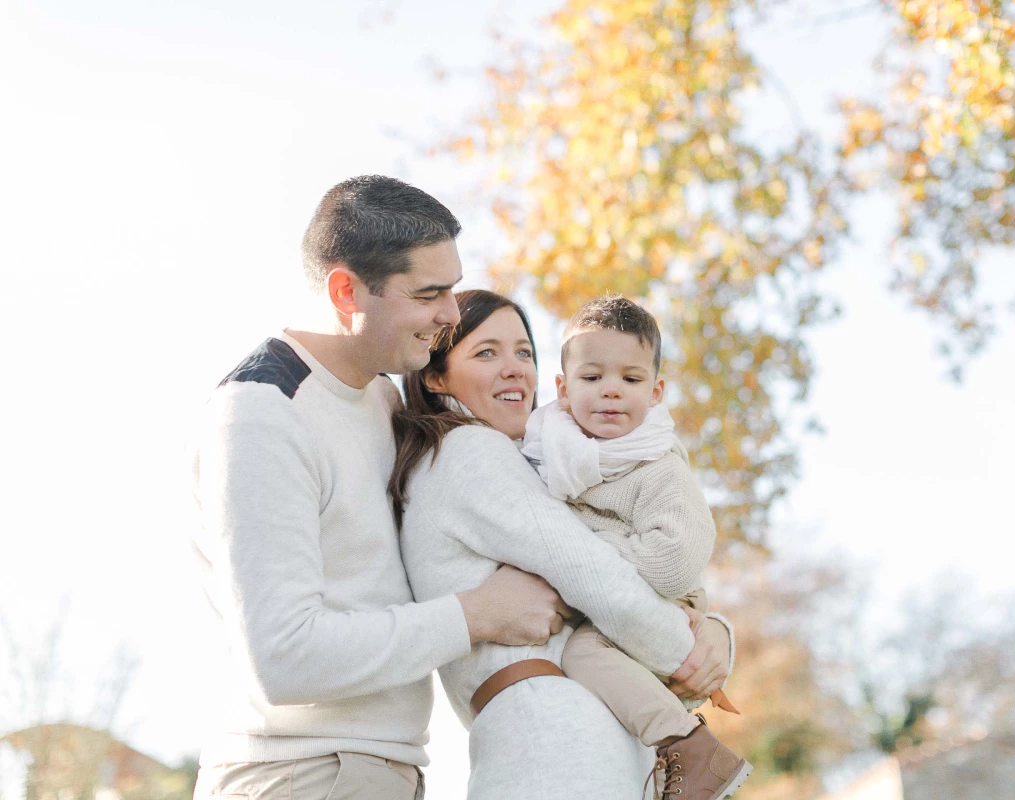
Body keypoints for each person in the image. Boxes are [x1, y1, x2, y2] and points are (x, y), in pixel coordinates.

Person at [190, 176, 576, 800]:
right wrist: (478, 614)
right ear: (346, 290)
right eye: (429, 293)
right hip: (304, 775)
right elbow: (285, 658)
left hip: (377, 770)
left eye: (451, 289)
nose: (450, 315)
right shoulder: (262, 415)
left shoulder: (380, 395)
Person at [392, 289, 739, 799]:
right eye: (486, 352)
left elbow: (631, 561)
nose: (514, 369)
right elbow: (596, 575)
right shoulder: (468, 451)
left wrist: (716, 630)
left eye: (524, 352)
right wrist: (695, 655)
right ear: (436, 375)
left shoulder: (540, 460)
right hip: (553, 734)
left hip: (577, 731)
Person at [521, 295, 752, 799]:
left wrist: (586, 553)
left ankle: (690, 747)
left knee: (584, 653)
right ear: (562, 388)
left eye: (630, 379)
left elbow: (674, 559)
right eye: (591, 377)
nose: (610, 392)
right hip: (612, 598)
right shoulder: (551, 451)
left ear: (655, 391)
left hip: (669, 596)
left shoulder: (657, 462)